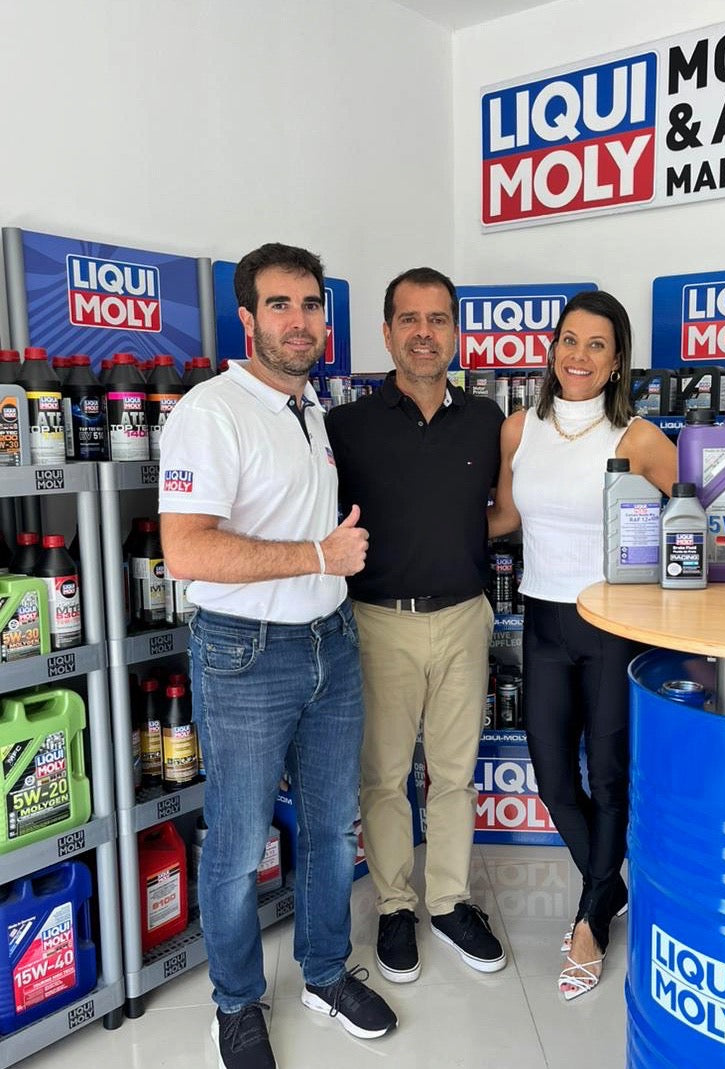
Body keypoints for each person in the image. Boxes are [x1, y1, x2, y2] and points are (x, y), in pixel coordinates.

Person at [159, 242, 397, 1069]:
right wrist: (319, 555)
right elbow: (186, 550)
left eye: (311, 304)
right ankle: (235, 1003)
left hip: (331, 642)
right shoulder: (212, 411)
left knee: (331, 828)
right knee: (236, 844)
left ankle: (324, 973)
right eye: (281, 304)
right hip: (246, 654)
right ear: (248, 318)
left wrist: (323, 572)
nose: (300, 321)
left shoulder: (309, 409)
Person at [487, 290, 677, 1001]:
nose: (579, 355)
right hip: (542, 618)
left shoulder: (639, 437)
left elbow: (699, 513)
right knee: (552, 778)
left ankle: (590, 922)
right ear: (552, 348)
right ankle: (609, 885)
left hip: (611, 626)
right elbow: (505, 517)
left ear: (617, 359)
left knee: (609, 777)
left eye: (597, 344)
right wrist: (424, 527)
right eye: (570, 339)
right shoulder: (519, 429)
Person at [325, 266, 506, 987]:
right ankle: (395, 904)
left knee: (455, 774)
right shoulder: (345, 426)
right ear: (387, 331)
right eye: (410, 319)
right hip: (379, 623)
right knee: (384, 777)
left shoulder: (489, 420)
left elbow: (504, 512)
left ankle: (450, 901)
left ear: (456, 331)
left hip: (464, 617)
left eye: (437, 319)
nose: (424, 333)